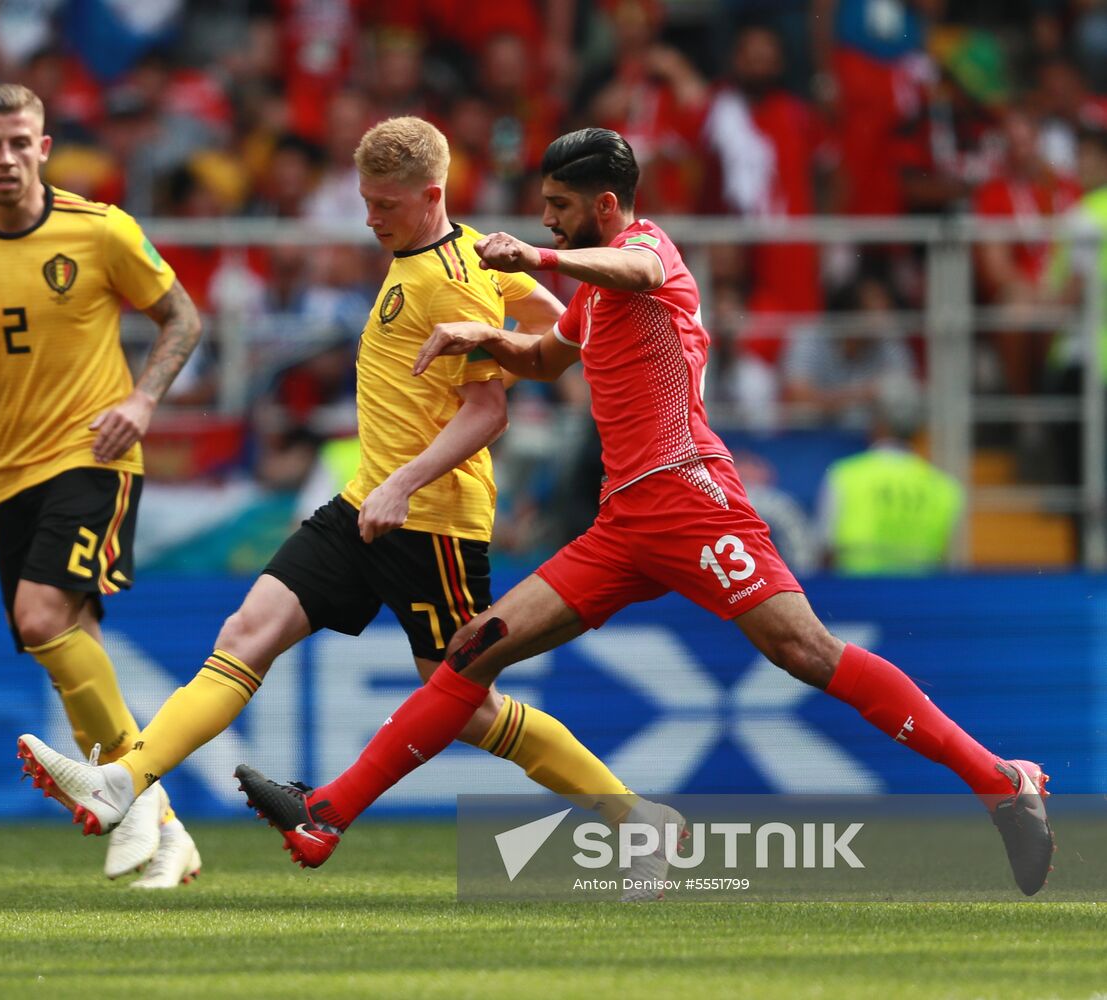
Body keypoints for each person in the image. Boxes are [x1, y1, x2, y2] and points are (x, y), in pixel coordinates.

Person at [224, 128, 1052, 896]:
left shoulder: (646, 248)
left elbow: (642, 276)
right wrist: (482, 337)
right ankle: (327, 813)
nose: (545, 221)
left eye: (557, 207)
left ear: (605, 207)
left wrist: (540, 262)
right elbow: (547, 360)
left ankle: (999, 781)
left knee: (802, 650)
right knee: (474, 651)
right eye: (542, 209)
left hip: (692, 498)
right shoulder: (588, 283)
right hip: (622, 523)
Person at [16, 117, 682, 900]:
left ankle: (638, 823)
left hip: (431, 518)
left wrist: (406, 480)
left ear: (431, 195)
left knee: (469, 708)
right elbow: (550, 323)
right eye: (365, 201)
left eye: (386, 205)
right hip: (365, 502)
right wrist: (528, 344)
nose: (370, 217)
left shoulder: (448, 275)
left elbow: (486, 415)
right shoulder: (448, 254)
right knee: (246, 633)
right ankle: (122, 781)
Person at [0, 83, 204, 889]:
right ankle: (167, 829)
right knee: (75, 646)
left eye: (20, 143)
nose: (5, 158)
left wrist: (143, 401)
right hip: (5, 472)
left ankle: (132, 800)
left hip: (94, 455)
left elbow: (182, 318)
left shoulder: (101, 230)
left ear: (44, 148)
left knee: (39, 615)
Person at [818, 376, 964, 575]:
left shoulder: (844, 475)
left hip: (855, 596)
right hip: (920, 600)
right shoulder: (944, 487)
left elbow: (824, 553)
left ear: (877, 422)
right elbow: (949, 562)